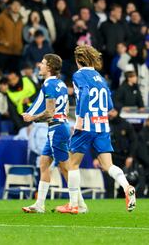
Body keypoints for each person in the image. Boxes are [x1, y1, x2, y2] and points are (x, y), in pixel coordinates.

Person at [55, 45, 136, 214]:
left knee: (72, 164)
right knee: (108, 165)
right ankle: (126, 186)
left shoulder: (79, 75)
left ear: (78, 60)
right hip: (103, 124)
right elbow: (110, 105)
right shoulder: (100, 78)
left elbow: (84, 94)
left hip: (86, 124)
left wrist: (81, 119)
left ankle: (73, 204)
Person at [21, 54, 87, 213]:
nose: (39, 66)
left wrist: (33, 117)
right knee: (44, 163)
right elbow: (62, 110)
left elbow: (50, 112)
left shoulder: (49, 85)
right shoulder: (62, 85)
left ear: (49, 67)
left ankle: (79, 204)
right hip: (59, 126)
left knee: (65, 167)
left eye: (42, 63)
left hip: (57, 128)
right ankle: (39, 205)